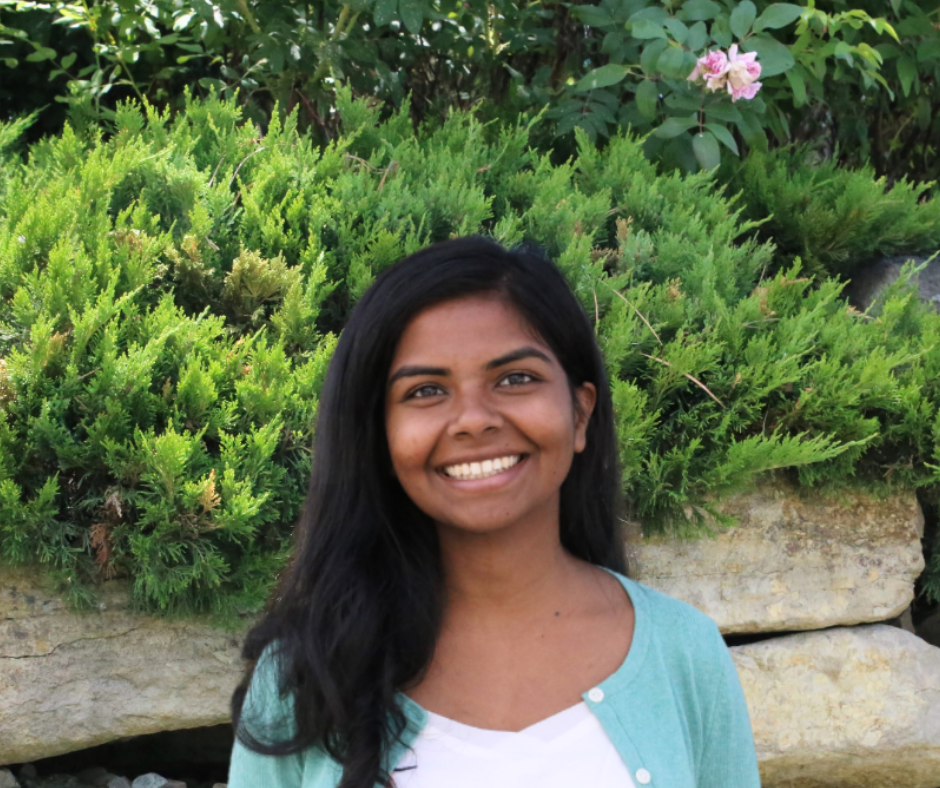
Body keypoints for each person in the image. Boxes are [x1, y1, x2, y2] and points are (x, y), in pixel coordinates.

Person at [227, 236, 761, 788]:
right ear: (379, 436)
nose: (473, 420)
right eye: (427, 390)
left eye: (515, 379)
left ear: (580, 414)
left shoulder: (684, 654)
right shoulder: (304, 676)